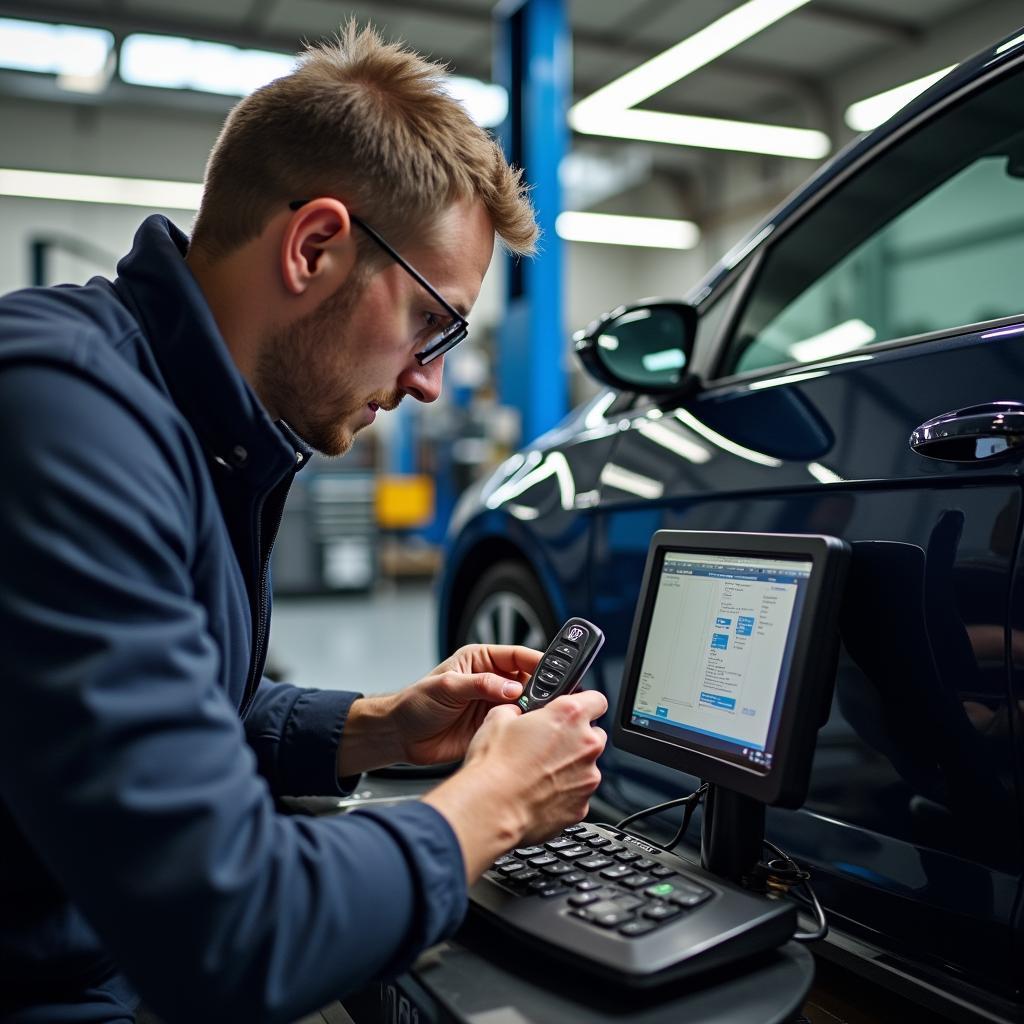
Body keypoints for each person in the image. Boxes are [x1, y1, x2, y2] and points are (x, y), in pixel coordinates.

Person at [0, 23, 608, 1024]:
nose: (428, 380)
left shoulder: (192, 426)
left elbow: (152, 724)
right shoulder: (66, 421)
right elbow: (231, 929)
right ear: (315, 245)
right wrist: (486, 805)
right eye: (432, 324)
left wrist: (373, 727)